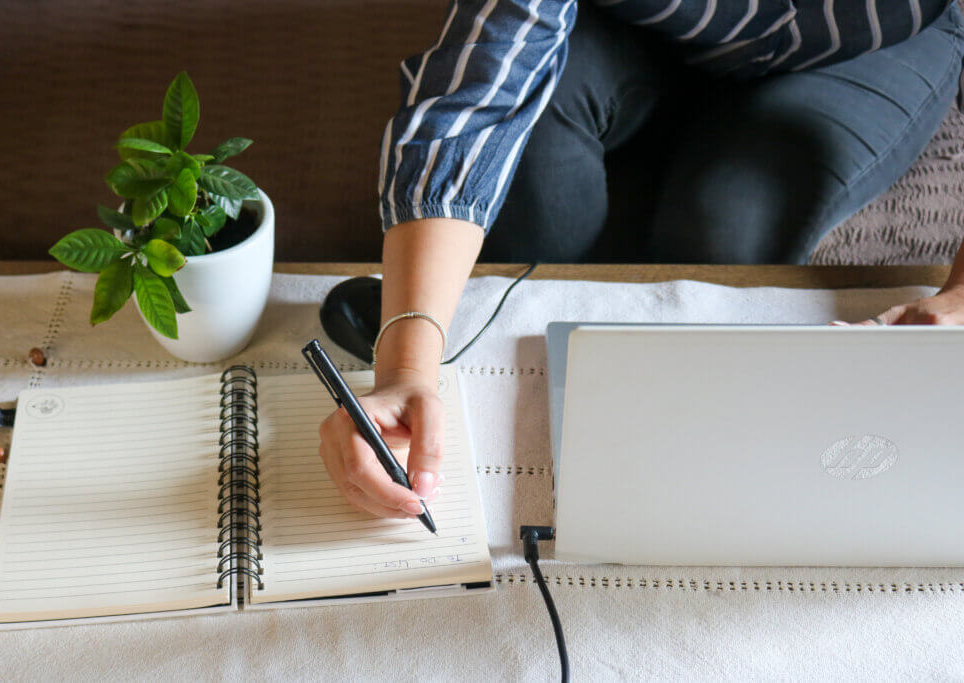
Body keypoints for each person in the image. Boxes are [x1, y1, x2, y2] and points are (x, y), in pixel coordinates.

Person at [317, 0, 964, 519]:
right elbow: (474, 99)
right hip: (643, 25)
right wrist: (405, 365)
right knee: (536, 198)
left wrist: (958, 298)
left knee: (722, 230)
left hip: (863, 45)